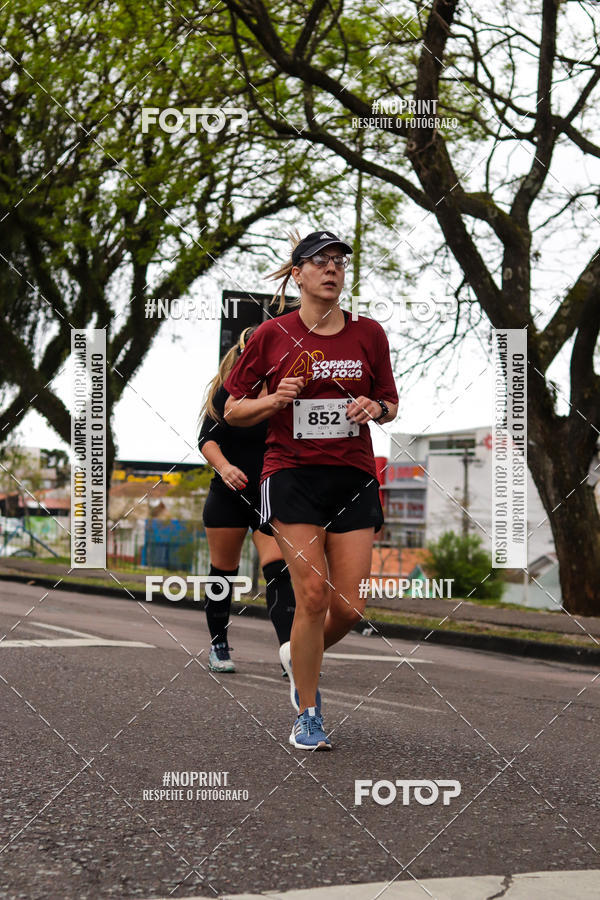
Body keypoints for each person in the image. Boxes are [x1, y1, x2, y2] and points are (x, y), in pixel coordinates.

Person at [224, 230, 398, 750]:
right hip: (291, 474)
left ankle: (298, 655)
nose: (332, 270)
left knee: (350, 608)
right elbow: (232, 409)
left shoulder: (369, 333)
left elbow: (390, 400)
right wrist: (275, 399)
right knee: (314, 596)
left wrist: (375, 408)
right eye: (320, 262)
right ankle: (308, 712)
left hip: (353, 476)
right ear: (297, 273)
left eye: (340, 263)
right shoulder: (271, 336)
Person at [198, 327, 296, 672]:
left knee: (278, 570)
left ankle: (289, 652)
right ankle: (218, 645)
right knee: (224, 571)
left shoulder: (285, 392)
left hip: (268, 494)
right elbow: (207, 440)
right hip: (229, 493)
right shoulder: (229, 391)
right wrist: (224, 468)